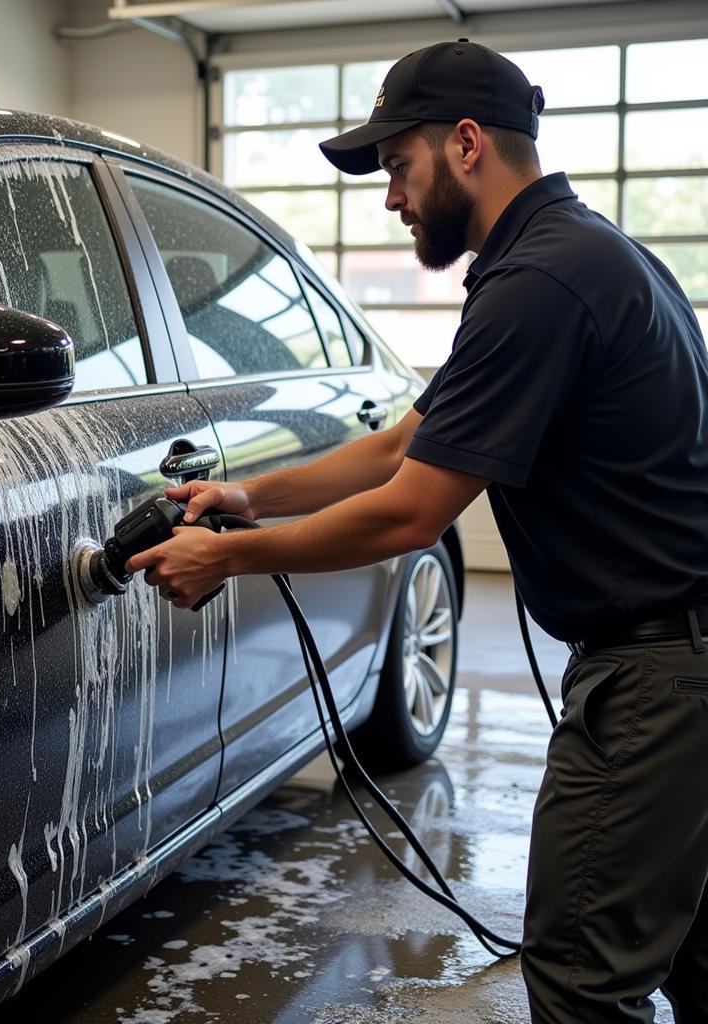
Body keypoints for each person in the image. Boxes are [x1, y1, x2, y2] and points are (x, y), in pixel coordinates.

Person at [125, 38, 708, 1024]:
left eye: (397, 165)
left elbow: (412, 509)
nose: (391, 196)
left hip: (657, 690)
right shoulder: (580, 251)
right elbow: (409, 441)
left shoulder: (539, 284)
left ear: (467, 142)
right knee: (682, 956)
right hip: (681, 668)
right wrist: (254, 496)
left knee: (579, 983)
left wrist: (228, 556)